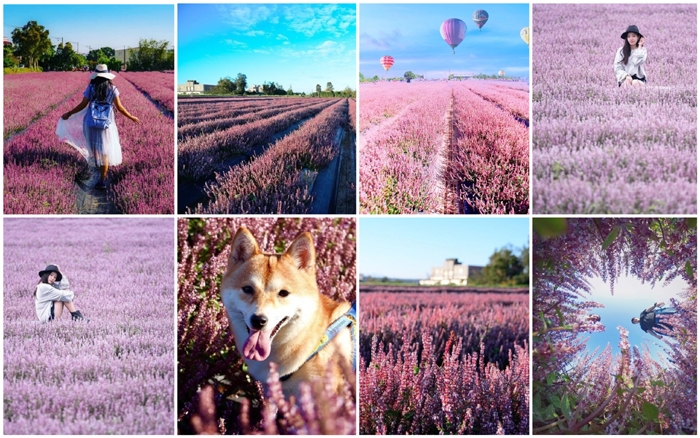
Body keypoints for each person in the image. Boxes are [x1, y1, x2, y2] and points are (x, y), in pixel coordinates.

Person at [59, 64, 140, 189]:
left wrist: (69, 113)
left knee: (95, 148)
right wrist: (132, 117)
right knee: (105, 151)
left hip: (91, 122)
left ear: (96, 76)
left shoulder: (91, 87)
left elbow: (83, 105)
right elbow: (120, 108)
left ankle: (97, 168)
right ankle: (102, 180)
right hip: (106, 124)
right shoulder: (113, 89)